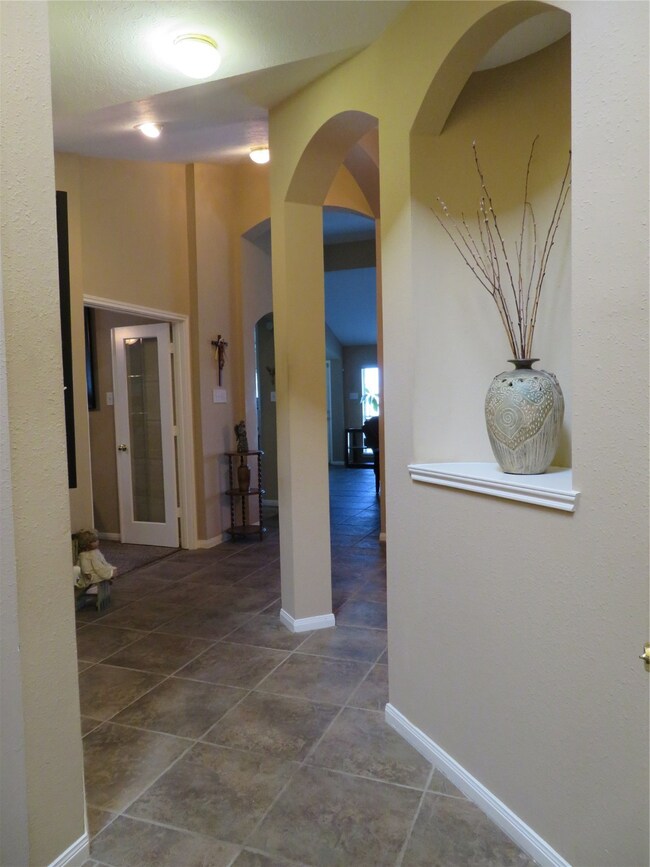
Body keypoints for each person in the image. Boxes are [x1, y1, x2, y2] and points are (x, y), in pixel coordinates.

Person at [74, 529, 116, 610]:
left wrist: (109, 568)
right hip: (89, 576)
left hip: (95, 572)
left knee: (110, 569)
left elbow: (102, 564)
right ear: (87, 544)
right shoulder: (85, 556)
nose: (98, 542)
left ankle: (108, 576)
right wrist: (109, 572)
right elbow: (95, 568)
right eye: (94, 541)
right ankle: (107, 578)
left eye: (97, 540)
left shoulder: (95, 552)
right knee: (107, 573)